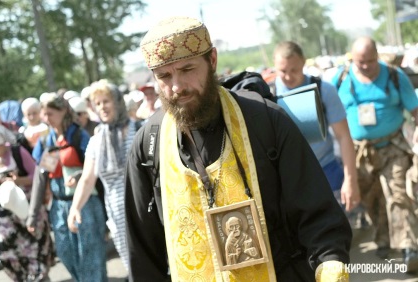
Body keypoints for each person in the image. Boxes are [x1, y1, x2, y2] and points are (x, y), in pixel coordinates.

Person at [124, 16, 351, 282]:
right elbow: (143, 252)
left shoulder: (266, 121)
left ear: (212, 60)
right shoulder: (148, 145)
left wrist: (331, 267)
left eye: (187, 69)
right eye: (164, 76)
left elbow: (319, 216)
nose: (176, 87)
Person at [330, 36, 418, 272]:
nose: (367, 66)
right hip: (358, 151)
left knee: (398, 193)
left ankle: (409, 248)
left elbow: (416, 109)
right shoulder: (339, 78)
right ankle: (384, 238)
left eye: (371, 60)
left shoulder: (394, 76)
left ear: (377, 56)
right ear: (352, 59)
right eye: (361, 62)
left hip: (392, 145)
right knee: (372, 198)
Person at [272, 41, 360, 212]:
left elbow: (343, 137)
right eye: (283, 71)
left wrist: (350, 180)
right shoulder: (268, 95)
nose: (289, 77)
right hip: (290, 179)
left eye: (294, 70)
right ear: (275, 66)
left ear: (304, 62)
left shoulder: (324, 90)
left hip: (327, 172)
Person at [29, 96, 107, 281]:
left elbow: (95, 167)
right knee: (65, 253)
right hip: (58, 206)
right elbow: (40, 178)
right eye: (44, 114)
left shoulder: (80, 136)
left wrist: (79, 176)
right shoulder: (45, 141)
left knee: (90, 257)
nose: (47, 118)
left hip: (84, 204)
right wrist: (33, 214)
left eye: (51, 113)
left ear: (63, 111)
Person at [67, 79, 142, 272]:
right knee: (133, 267)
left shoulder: (140, 129)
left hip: (144, 208)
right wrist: (75, 208)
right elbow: (87, 178)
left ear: (117, 102)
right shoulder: (96, 140)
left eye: (106, 101)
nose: (102, 107)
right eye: (97, 103)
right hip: (117, 215)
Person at [0, 123, 54, 281]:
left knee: (35, 250)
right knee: (8, 253)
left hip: (28, 210)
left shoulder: (17, 152)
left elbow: (37, 176)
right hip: (4, 218)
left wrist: (19, 180)